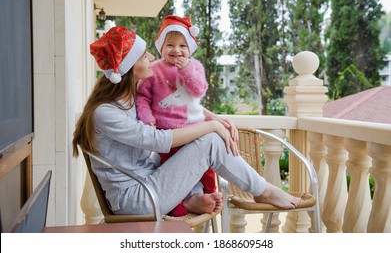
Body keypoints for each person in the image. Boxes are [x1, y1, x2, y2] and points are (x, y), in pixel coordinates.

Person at [72, 26, 301, 218]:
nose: (152, 57)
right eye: (144, 56)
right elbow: (160, 141)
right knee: (211, 140)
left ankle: (190, 199)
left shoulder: (129, 99)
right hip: (136, 198)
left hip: (149, 182)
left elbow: (169, 104)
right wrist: (211, 126)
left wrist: (213, 117)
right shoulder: (106, 113)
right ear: (129, 67)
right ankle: (263, 190)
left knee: (207, 137)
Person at [136, 15, 216, 216]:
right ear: (160, 47)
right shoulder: (153, 70)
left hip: (194, 128)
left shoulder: (194, 67)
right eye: (170, 45)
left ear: (190, 49)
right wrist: (147, 117)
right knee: (172, 170)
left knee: (205, 167)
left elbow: (199, 90)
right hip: (168, 133)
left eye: (182, 46)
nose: (176, 50)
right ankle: (178, 203)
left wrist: (187, 69)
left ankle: (208, 192)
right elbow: (143, 97)